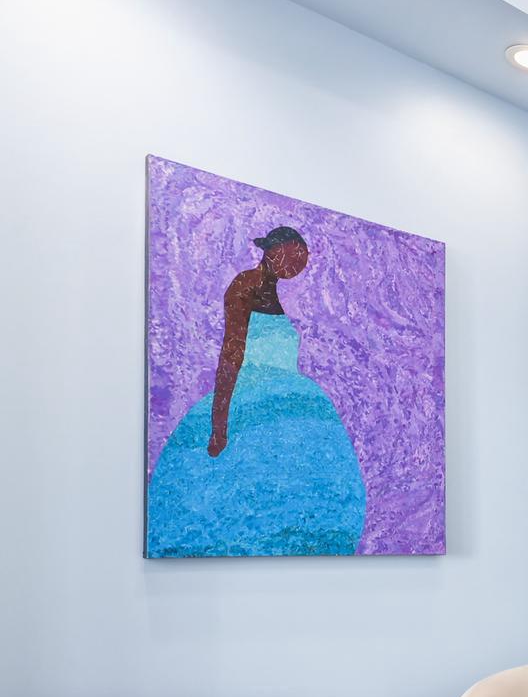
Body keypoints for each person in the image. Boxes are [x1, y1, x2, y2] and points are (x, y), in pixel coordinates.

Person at [146, 226, 367, 557]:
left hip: (292, 408)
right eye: (295, 255)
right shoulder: (245, 284)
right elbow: (231, 354)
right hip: (250, 401)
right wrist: (219, 426)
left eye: (302, 259)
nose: (299, 265)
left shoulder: (274, 291)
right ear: (275, 251)